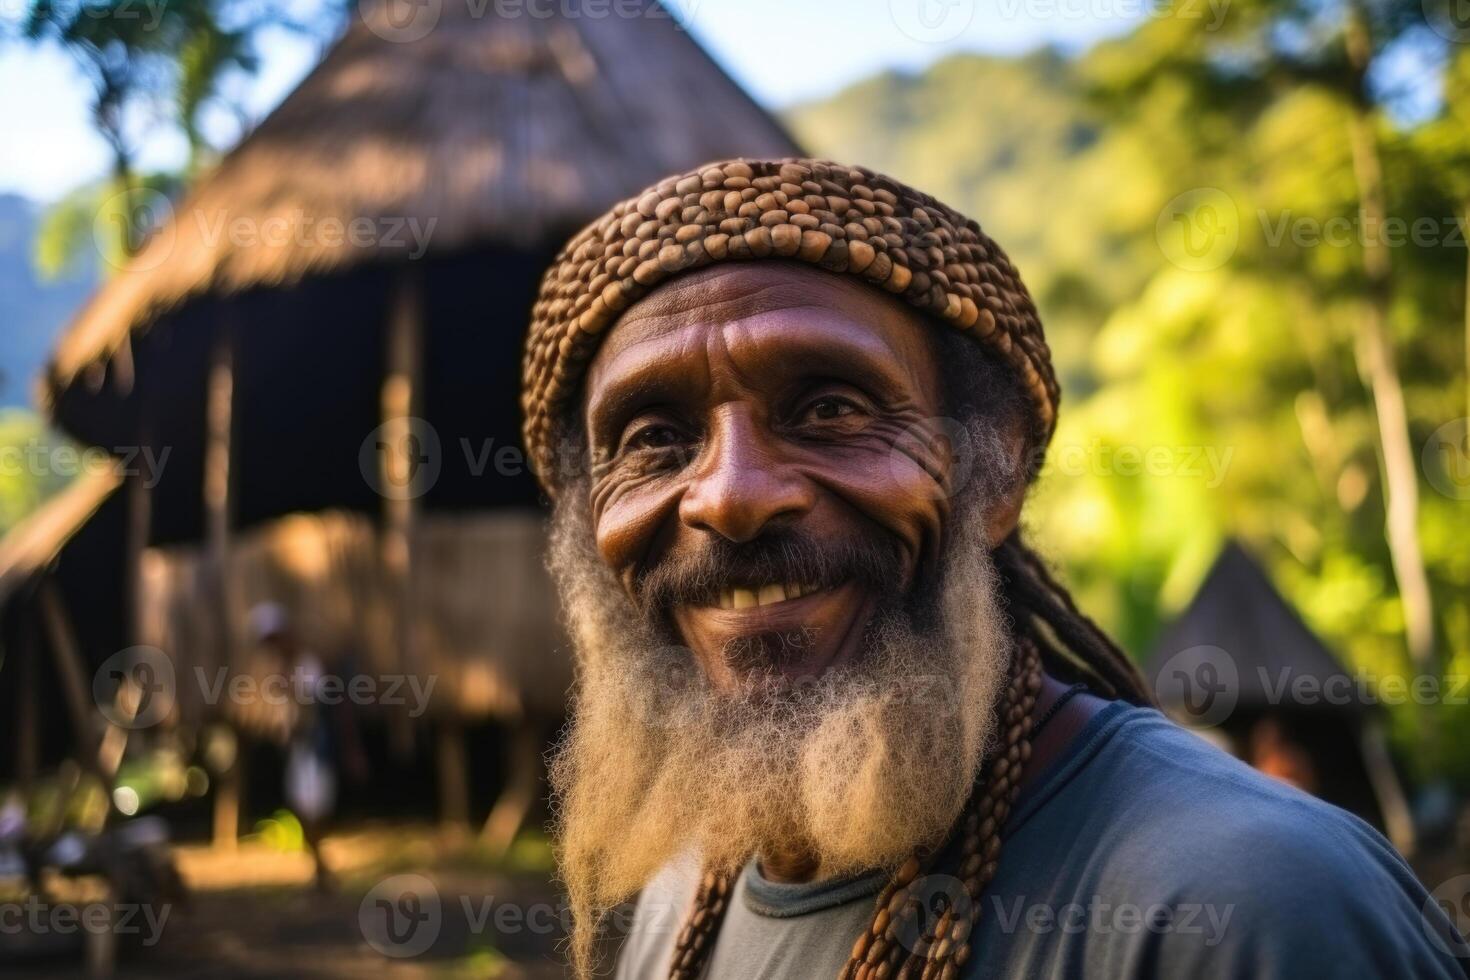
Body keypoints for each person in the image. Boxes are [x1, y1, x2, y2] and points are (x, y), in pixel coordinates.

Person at [518, 159, 1469, 978]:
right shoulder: (681, 896)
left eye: (831, 410)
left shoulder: (1246, 902)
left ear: (995, 472)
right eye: (655, 439)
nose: (726, 497)